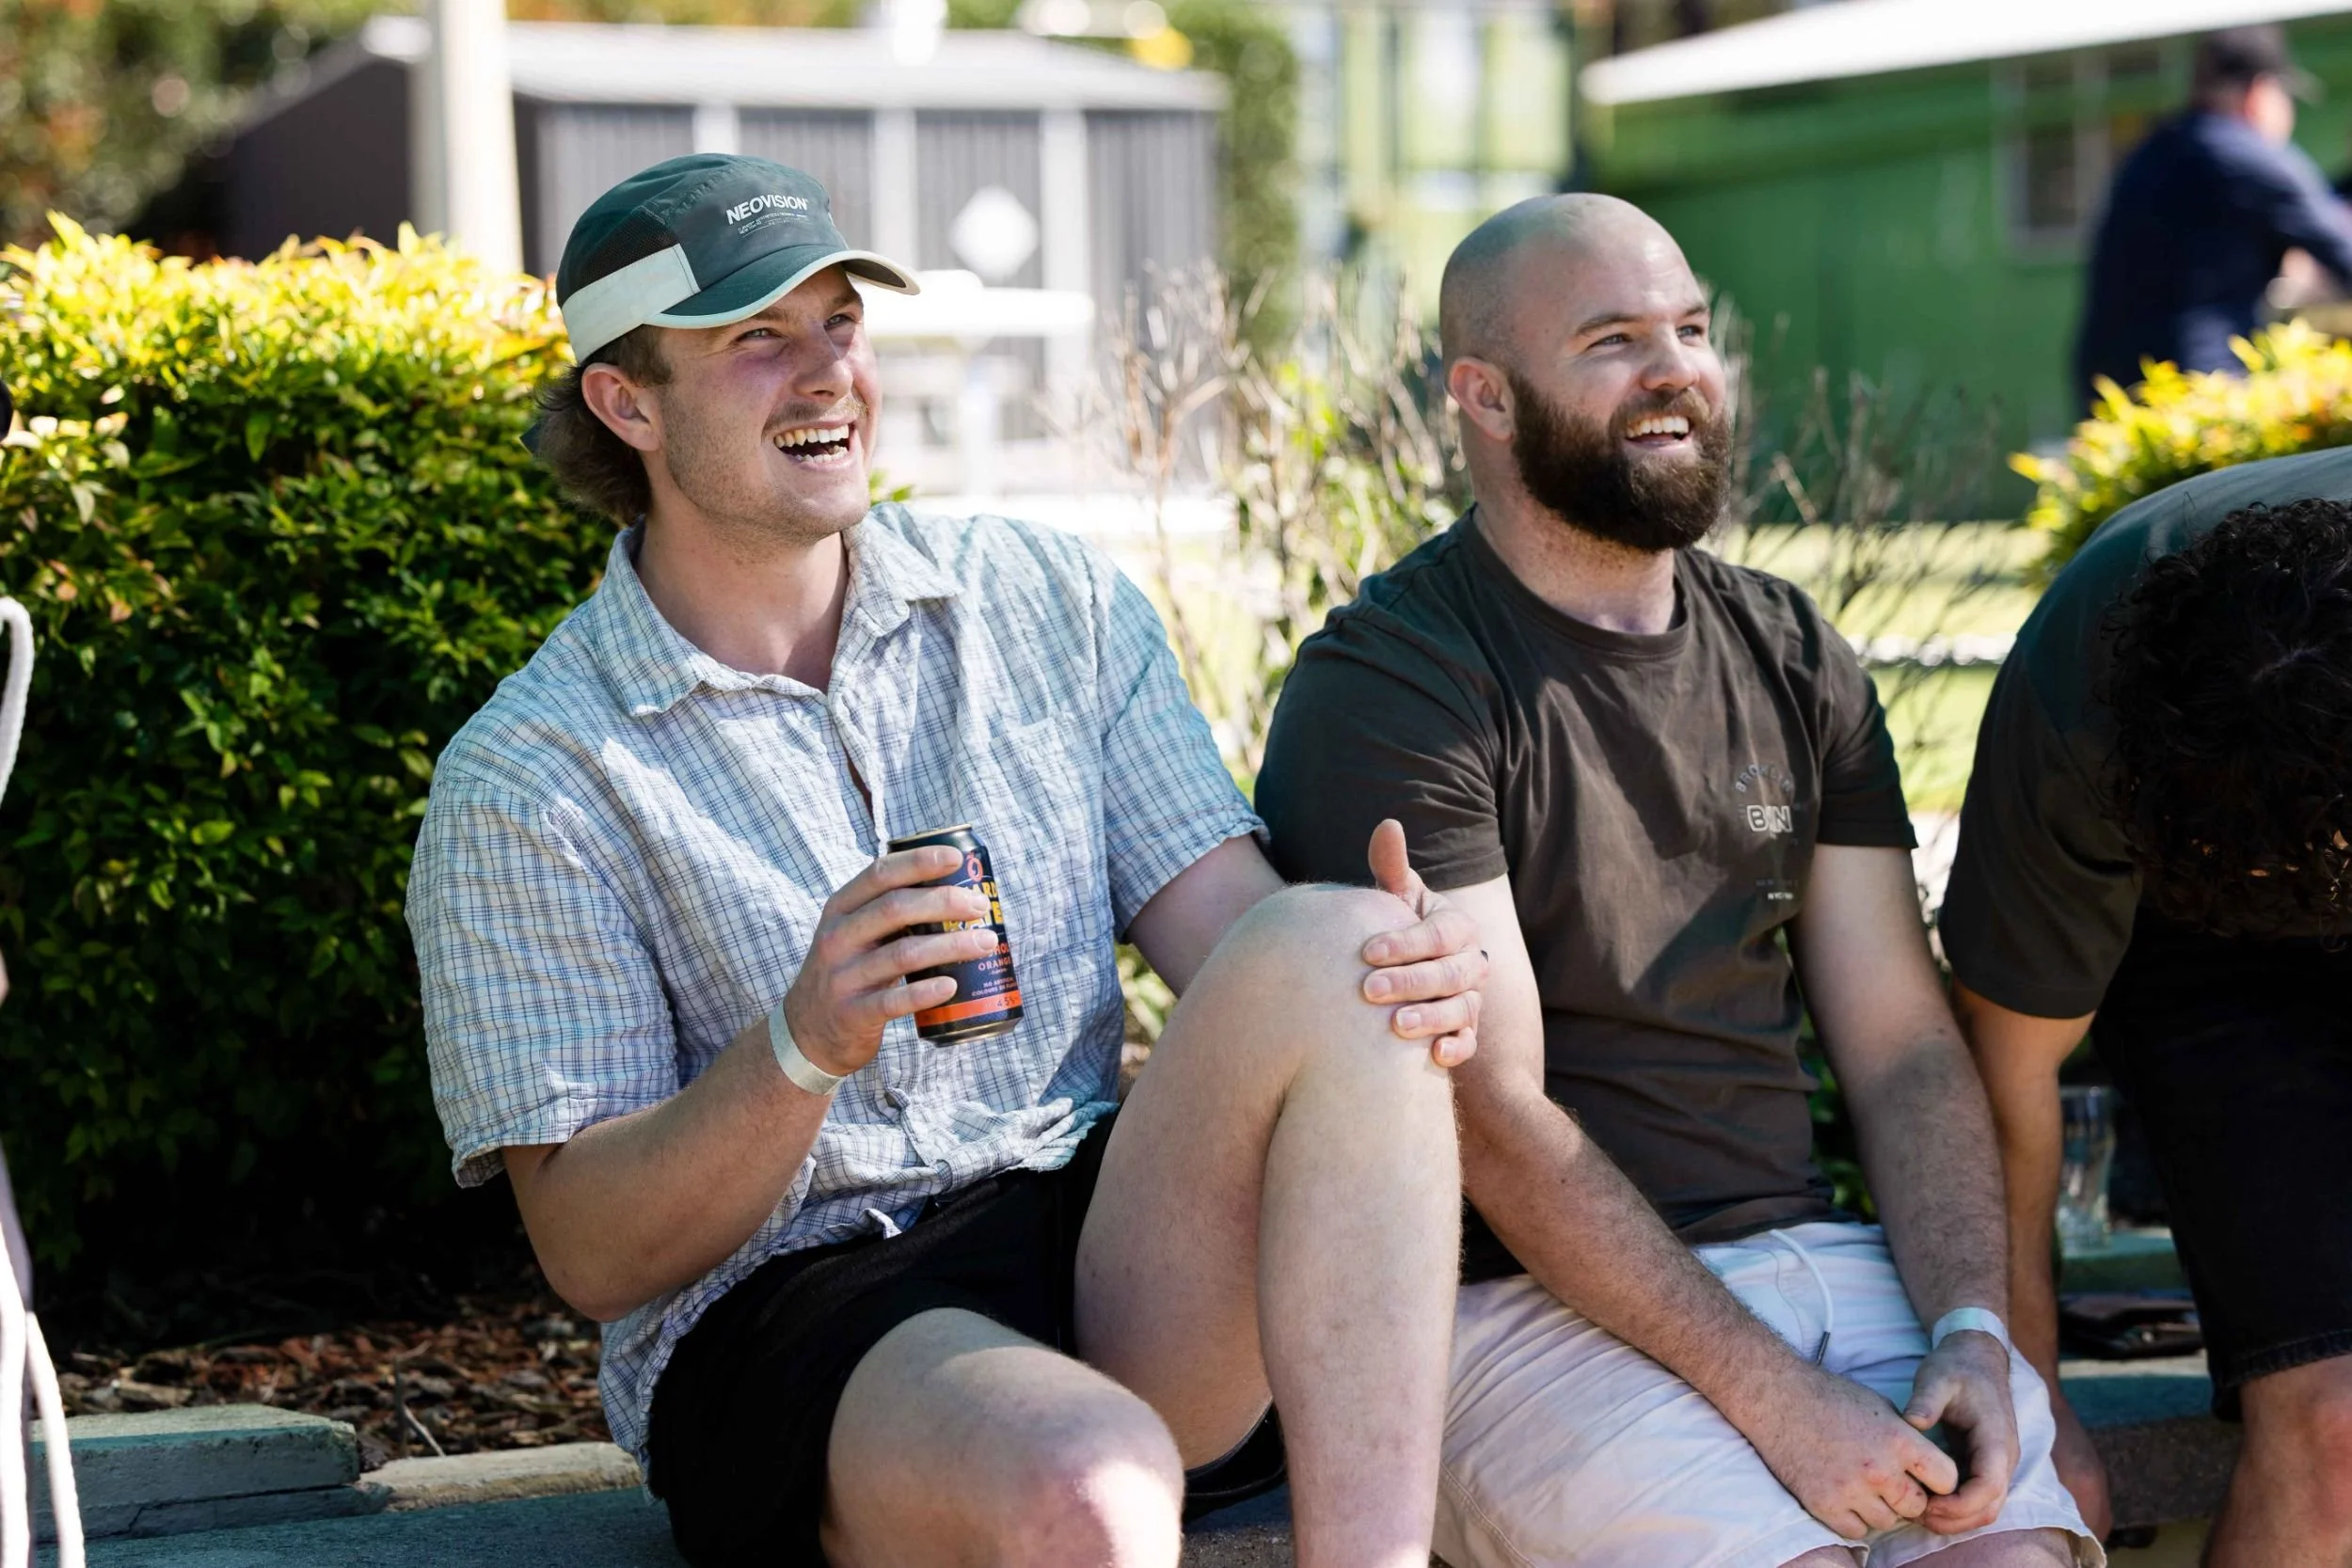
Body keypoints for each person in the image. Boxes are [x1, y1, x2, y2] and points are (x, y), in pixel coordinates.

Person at [405, 153, 1489, 1568]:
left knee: (1341, 947)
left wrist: (1395, 977)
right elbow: (597, 1252)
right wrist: (800, 1045)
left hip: (1091, 1234)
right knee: (1090, 1488)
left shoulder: (1046, 599)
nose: (824, 376)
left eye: (839, 323)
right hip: (800, 1312)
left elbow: (1233, 936)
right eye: (756, 339)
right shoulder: (536, 774)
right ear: (628, 403)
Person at [1253, 193, 2097, 1568]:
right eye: (1611, 340)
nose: (1675, 371)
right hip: (1517, 1308)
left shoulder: (1789, 649)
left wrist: (1974, 1327)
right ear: (1485, 396)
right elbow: (1493, 1115)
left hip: (1833, 1269)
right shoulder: (1397, 683)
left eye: (1691, 329)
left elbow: (1902, 1049)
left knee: (2008, 1556)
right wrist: (1776, 1397)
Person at [1942, 449, 2352, 1566]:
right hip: (2204, 948)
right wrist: (2034, 1405)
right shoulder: (2082, 711)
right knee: (2339, 1434)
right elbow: (2006, 1075)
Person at [2074, 24, 2352, 403]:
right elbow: (2342, 250)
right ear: (2260, 93)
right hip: (2200, 390)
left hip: (2109, 395)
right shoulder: (2248, 157)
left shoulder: (2150, 154)